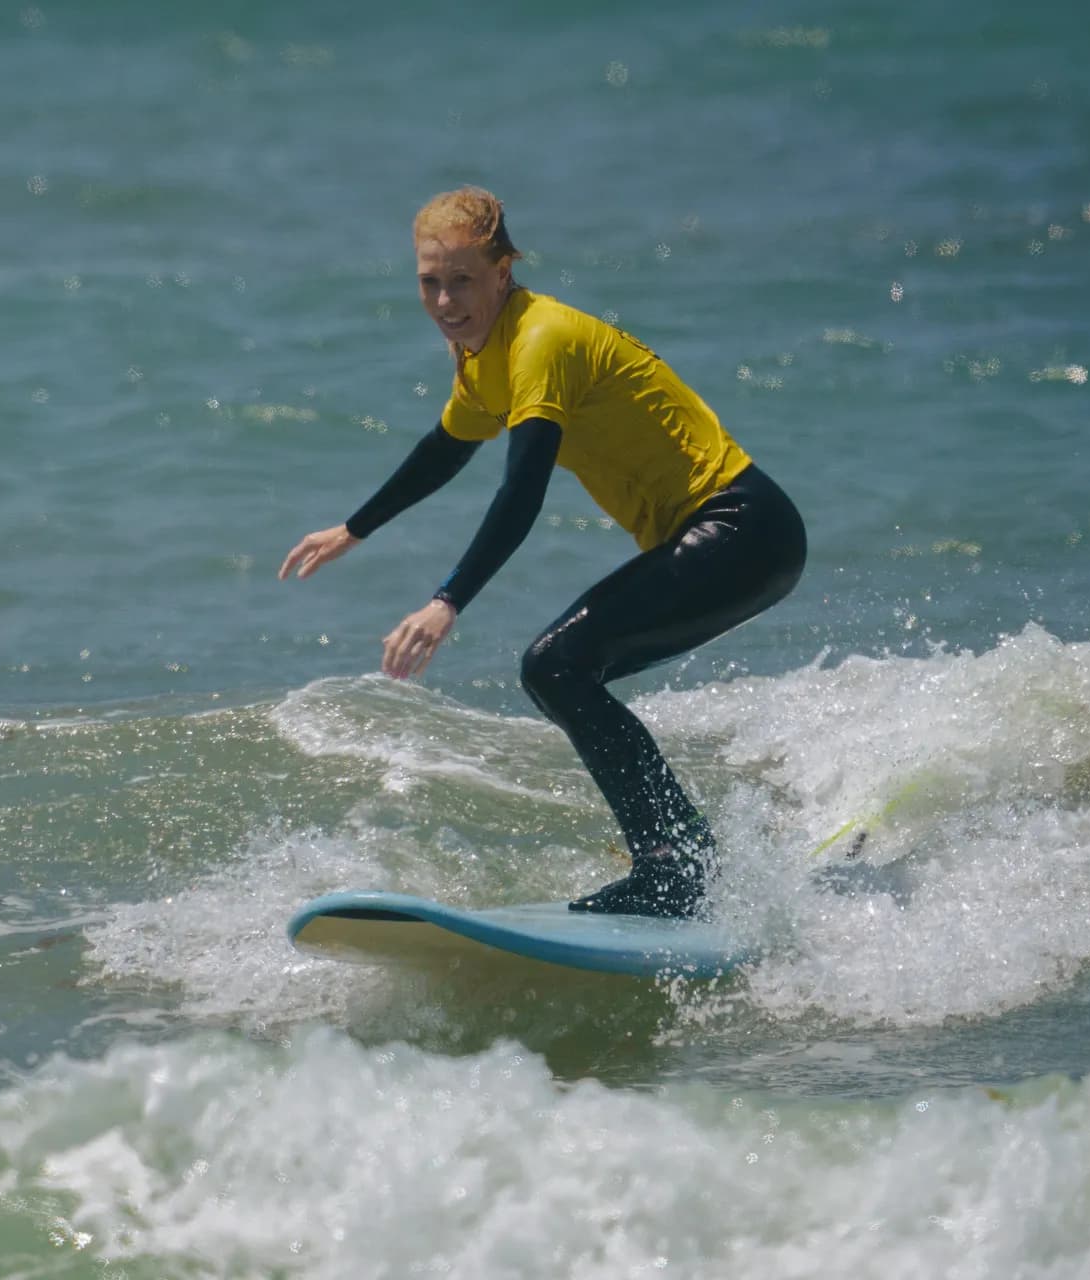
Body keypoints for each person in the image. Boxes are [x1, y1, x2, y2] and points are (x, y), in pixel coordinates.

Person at [278, 187, 805, 917]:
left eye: (462, 280)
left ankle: (676, 867)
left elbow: (521, 490)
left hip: (743, 527)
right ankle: (682, 858)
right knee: (567, 672)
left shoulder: (540, 342)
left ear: (502, 272)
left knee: (555, 665)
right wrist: (355, 528)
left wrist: (446, 600)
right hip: (724, 535)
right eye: (429, 281)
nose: (444, 300)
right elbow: (448, 447)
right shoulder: (482, 354)